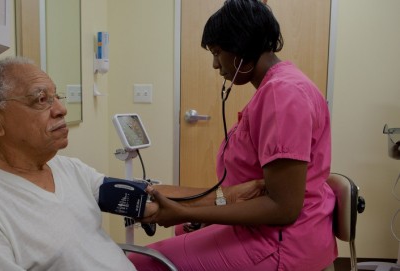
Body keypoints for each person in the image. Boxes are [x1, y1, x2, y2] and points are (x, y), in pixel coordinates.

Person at [129, 0, 335, 270]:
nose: (216, 65)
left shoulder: (282, 94)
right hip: (276, 229)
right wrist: (199, 214)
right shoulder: (278, 86)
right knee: (182, 231)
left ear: (241, 47)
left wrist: (187, 210)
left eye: (217, 52)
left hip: (281, 241)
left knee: (140, 262)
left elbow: (283, 207)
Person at [0, 57, 138, 270]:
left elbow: (134, 198)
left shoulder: (68, 168)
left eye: (57, 96)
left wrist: (159, 203)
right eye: (41, 99)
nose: (61, 109)